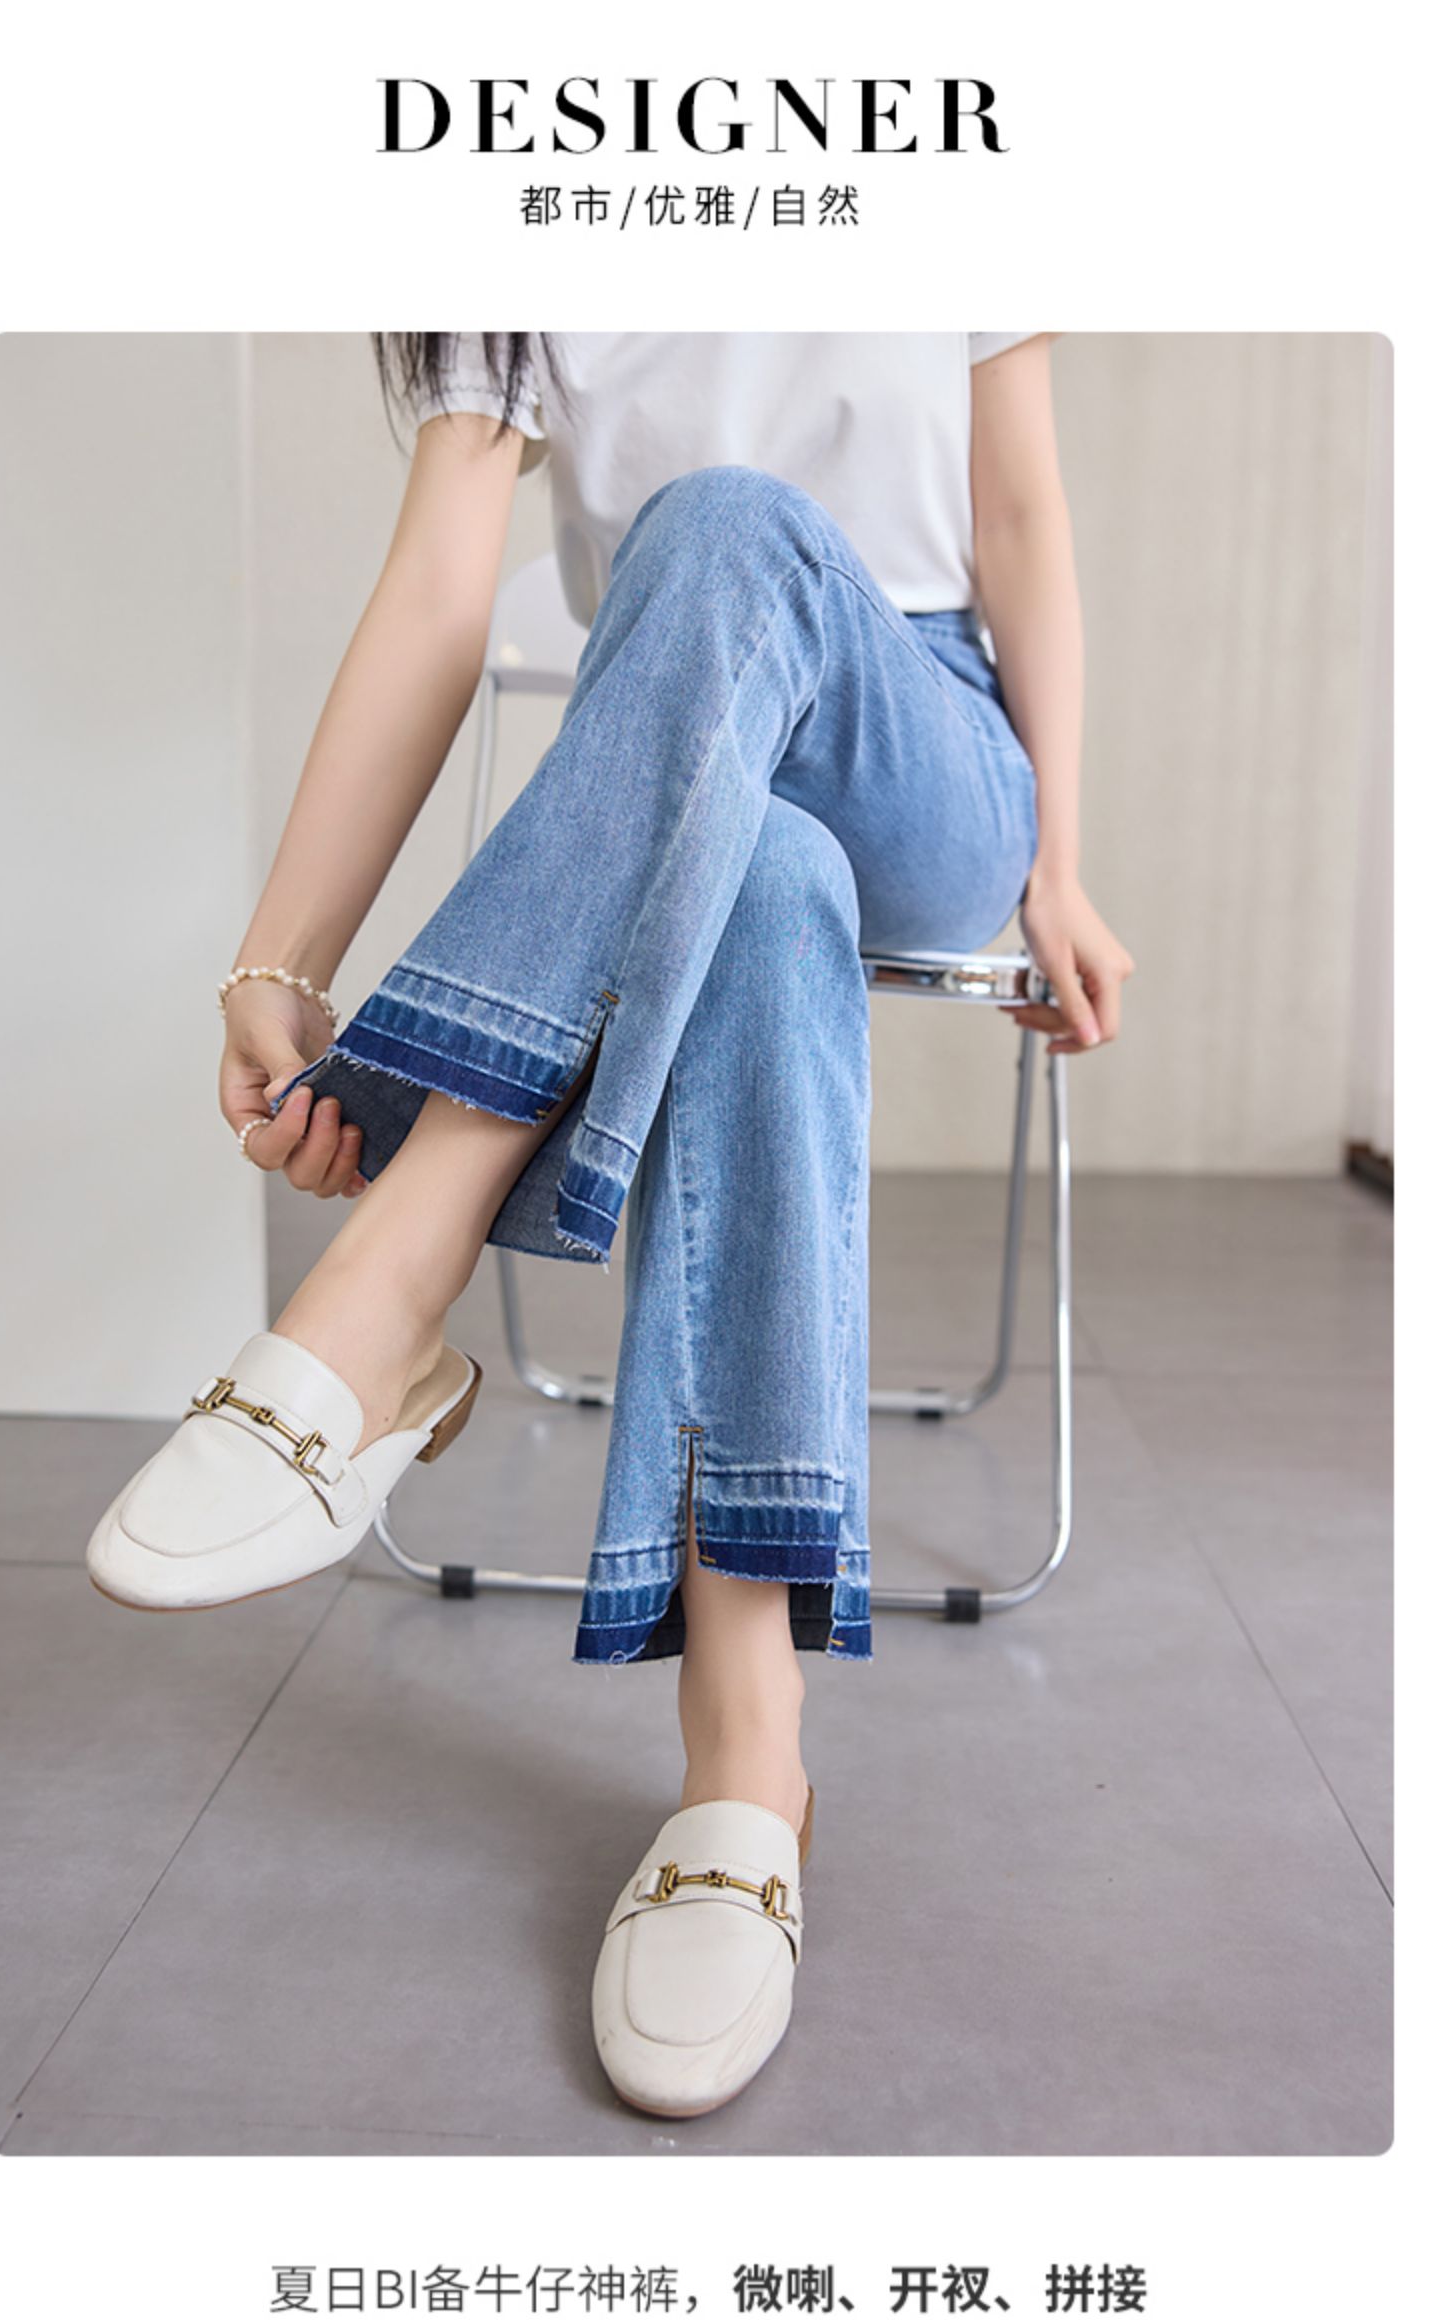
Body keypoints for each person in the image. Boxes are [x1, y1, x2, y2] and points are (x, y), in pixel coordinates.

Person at [86, 332, 1135, 2120]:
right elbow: (441, 594)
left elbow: (1019, 511)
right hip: (680, 745)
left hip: (925, 735)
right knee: (764, 874)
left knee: (725, 523)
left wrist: (1061, 863)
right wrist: (279, 955)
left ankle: (400, 1267)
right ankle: (747, 1757)